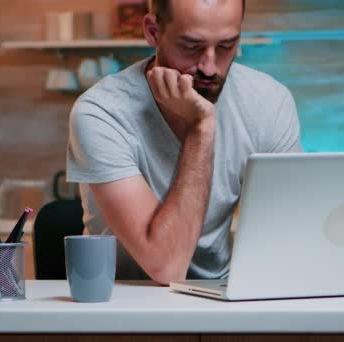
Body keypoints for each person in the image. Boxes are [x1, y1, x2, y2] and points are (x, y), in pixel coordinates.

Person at [66, 0, 302, 285]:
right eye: (191, 47)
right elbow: (166, 267)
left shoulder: (269, 102)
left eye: (227, 46)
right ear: (153, 32)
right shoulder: (101, 111)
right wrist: (201, 127)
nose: (210, 68)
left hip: (224, 295)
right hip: (126, 298)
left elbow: (287, 239)